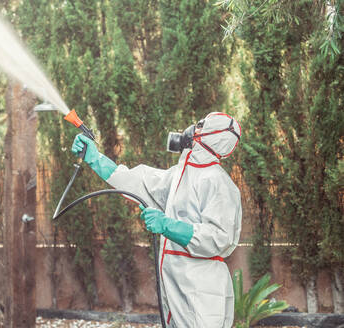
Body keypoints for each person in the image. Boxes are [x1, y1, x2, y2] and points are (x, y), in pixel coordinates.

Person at [71, 112, 242, 328]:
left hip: (201, 287)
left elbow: (220, 238)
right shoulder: (180, 176)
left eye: (200, 125)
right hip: (176, 281)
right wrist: (95, 158)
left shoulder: (218, 183)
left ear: (213, 136)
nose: (192, 129)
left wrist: (167, 225)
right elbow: (138, 182)